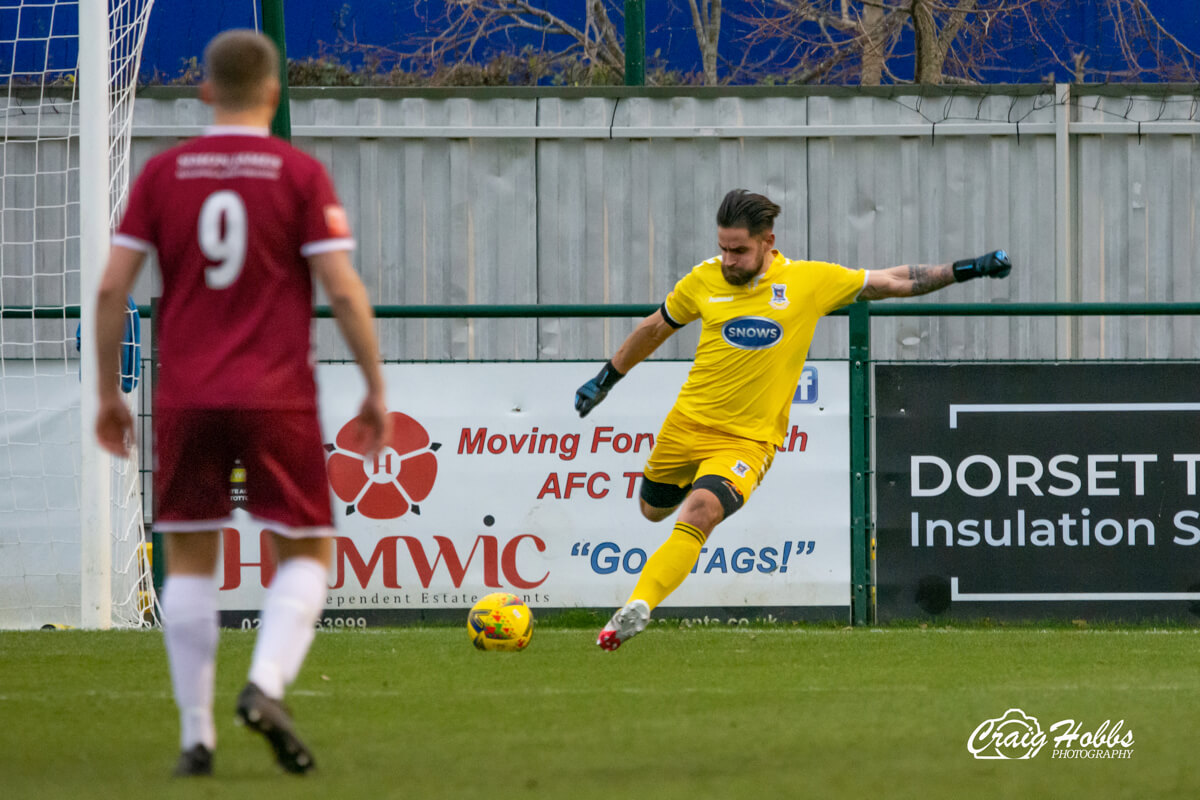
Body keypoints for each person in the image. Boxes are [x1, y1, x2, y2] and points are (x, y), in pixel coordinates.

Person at [94, 30, 389, 776]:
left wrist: (107, 394)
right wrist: (375, 386)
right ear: (273, 92)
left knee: (189, 560)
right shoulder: (297, 174)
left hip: (188, 396)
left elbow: (109, 290)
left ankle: (197, 739)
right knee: (310, 547)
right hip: (275, 395)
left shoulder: (163, 175)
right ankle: (264, 685)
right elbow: (344, 290)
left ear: (203, 92)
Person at [575, 189, 1011, 651]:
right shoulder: (702, 280)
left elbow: (895, 280)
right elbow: (654, 328)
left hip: (746, 442)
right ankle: (692, 488)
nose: (728, 259)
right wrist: (606, 379)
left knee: (700, 512)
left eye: (739, 250)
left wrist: (968, 268)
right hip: (686, 426)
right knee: (651, 511)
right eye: (723, 248)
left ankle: (637, 608)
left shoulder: (807, 282)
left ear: (768, 242)